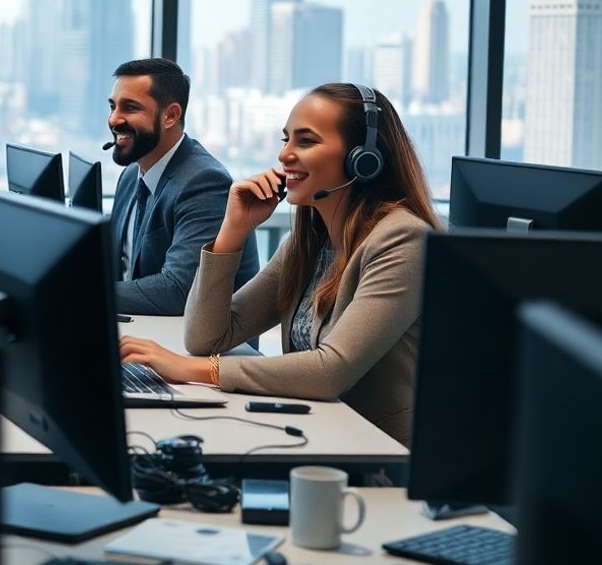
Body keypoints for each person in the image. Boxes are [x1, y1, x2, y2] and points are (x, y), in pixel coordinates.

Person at [120, 83, 438, 446]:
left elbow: (330, 370)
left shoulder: (403, 239)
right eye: (285, 139)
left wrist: (190, 370)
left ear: (363, 159)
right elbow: (206, 336)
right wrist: (232, 232)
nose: (285, 155)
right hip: (319, 438)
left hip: (382, 456)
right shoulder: (309, 241)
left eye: (306, 141)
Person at [108, 58, 259, 316]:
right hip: (152, 332)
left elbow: (178, 290)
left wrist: (84, 291)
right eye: (112, 107)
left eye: (130, 108)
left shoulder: (204, 182)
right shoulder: (131, 174)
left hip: (208, 352)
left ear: (171, 115)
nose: (114, 119)